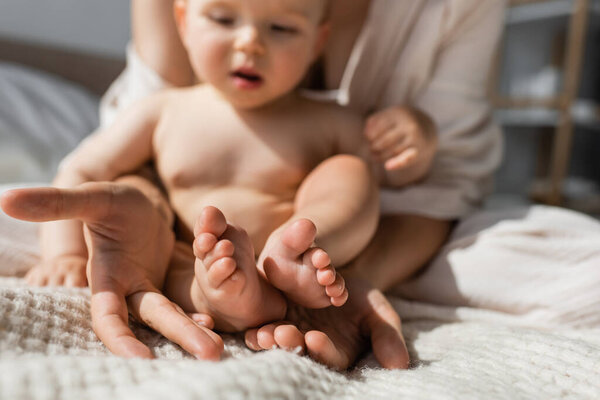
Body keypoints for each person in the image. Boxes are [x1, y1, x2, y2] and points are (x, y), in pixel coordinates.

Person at [3, 0, 509, 370]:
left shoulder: (330, 119)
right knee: (204, 267)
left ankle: (305, 253)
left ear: (318, 40)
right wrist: (67, 253)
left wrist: (414, 135)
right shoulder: (162, 111)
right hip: (192, 259)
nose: (250, 42)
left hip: (299, 256)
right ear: (182, 20)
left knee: (351, 172)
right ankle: (237, 294)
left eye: (282, 27)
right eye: (223, 19)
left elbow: (403, 178)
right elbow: (82, 172)